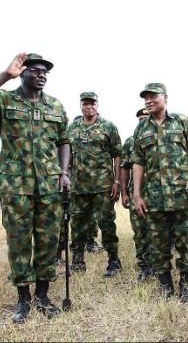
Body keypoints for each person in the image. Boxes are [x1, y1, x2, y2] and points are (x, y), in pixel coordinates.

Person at [0, 53, 71, 324]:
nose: (41, 75)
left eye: (45, 72)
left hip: (48, 184)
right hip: (15, 184)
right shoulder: (5, 100)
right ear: (21, 73)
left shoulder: (55, 106)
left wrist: (64, 172)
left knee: (48, 240)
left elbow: (64, 141)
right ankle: (23, 298)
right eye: (34, 70)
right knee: (19, 242)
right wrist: (4, 76)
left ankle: (43, 296)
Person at [132, 83, 188, 303]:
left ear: (165, 98)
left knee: (186, 241)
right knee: (158, 243)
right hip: (154, 197)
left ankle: (185, 282)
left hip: (182, 195)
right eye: (145, 98)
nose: (148, 100)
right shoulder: (141, 129)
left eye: (153, 96)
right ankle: (165, 284)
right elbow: (137, 162)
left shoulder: (182, 122)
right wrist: (137, 194)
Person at [67, 91, 122, 276]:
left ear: (97, 105)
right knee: (77, 224)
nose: (88, 106)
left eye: (92, 103)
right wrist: (65, 175)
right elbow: (67, 154)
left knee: (107, 223)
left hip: (103, 186)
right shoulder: (72, 128)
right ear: (80, 105)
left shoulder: (108, 126)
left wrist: (116, 181)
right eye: (85, 103)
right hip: (79, 186)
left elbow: (117, 155)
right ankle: (77, 262)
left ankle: (114, 262)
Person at [119, 108, 153, 283]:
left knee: (158, 230)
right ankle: (145, 266)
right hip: (136, 192)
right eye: (140, 119)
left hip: (157, 192)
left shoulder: (159, 137)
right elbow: (124, 167)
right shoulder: (130, 142)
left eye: (146, 118)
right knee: (140, 231)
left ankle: (159, 264)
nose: (143, 121)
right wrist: (124, 192)